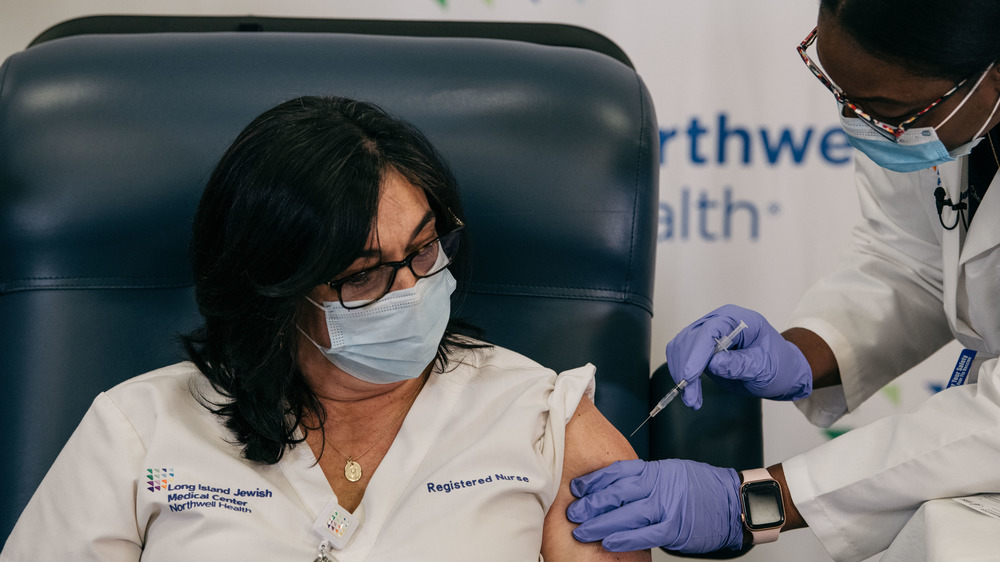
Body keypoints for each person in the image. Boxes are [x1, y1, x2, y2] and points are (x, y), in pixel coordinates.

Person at [1, 96, 649, 561]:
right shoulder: (138, 430)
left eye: (425, 251)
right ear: (274, 290)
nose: (412, 292)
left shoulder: (546, 422)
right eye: (364, 275)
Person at [567, 1, 1000, 560]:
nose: (859, 122)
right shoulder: (936, 111)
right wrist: (799, 355)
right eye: (842, 95)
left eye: (887, 110)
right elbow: (913, 257)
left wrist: (749, 502)